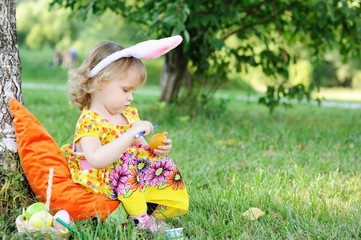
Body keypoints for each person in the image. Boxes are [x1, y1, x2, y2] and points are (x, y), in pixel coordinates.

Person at [61, 38, 189, 234]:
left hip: (126, 178)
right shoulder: (90, 121)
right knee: (126, 166)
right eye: (125, 90)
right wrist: (129, 134)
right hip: (99, 178)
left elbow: (141, 149)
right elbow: (96, 159)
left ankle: (153, 211)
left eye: (133, 92)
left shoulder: (128, 114)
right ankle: (141, 220)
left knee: (161, 164)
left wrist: (155, 148)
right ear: (101, 83)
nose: (130, 97)